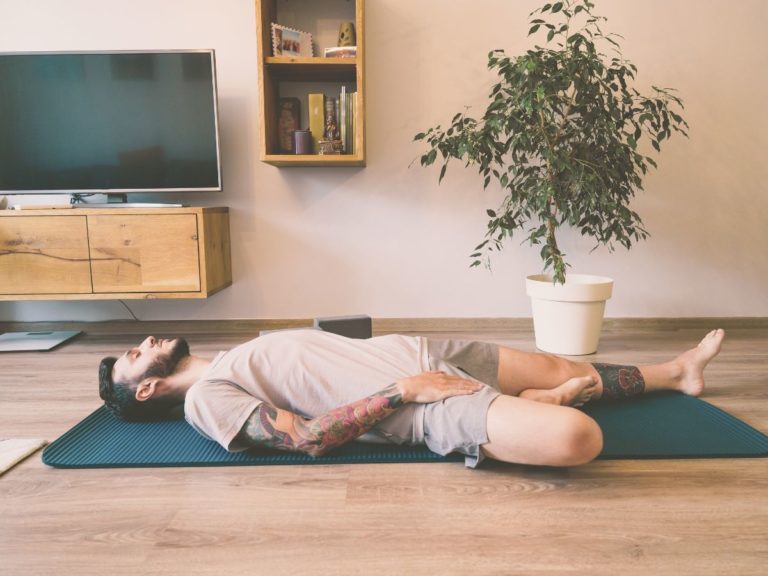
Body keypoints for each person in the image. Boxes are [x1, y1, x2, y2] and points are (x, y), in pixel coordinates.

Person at [98, 328, 725, 468]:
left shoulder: (234, 352)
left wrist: (407, 360)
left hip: (424, 350)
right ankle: (550, 406)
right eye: (135, 355)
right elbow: (304, 438)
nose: (145, 342)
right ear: (147, 387)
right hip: (423, 403)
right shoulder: (204, 399)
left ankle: (678, 372)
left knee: (564, 362)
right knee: (578, 443)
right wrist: (403, 391)